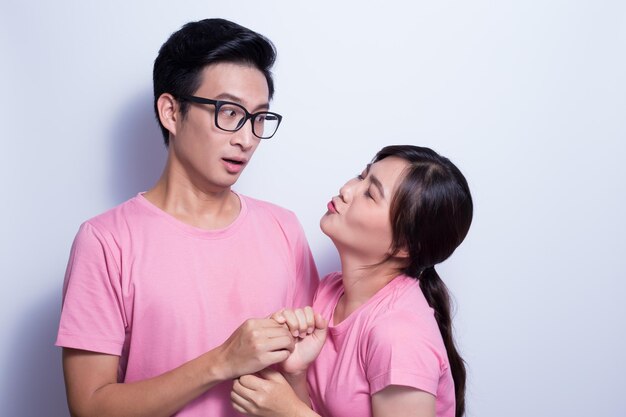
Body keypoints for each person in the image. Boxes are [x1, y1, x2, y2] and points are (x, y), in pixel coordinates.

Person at [55, 18, 318, 417]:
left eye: (259, 117)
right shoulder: (105, 240)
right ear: (171, 112)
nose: (246, 139)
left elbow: (313, 381)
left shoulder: (284, 229)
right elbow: (89, 407)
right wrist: (221, 362)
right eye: (229, 112)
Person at [230, 145, 473, 417]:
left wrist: (289, 413)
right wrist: (296, 374)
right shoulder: (329, 291)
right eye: (361, 176)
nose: (347, 190)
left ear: (405, 245)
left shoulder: (400, 335)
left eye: (370, 194)